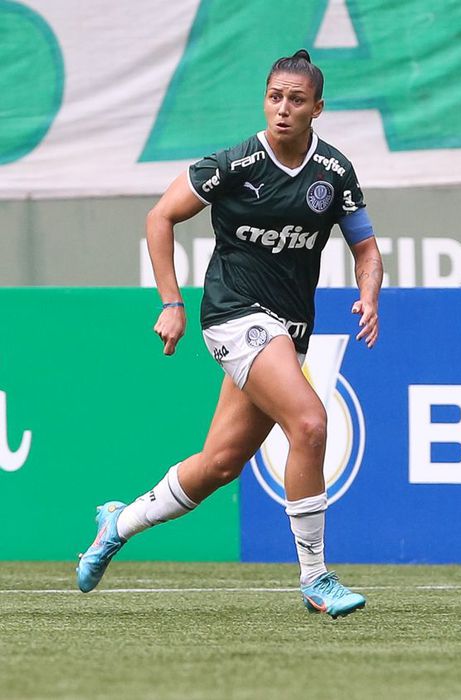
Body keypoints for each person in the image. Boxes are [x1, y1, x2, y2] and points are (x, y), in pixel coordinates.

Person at [76, 49, 383, 619]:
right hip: (235, 314)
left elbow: (365, 247)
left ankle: (117, 522)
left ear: (318, 107)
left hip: (288, 331)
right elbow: (159, 217)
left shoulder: (334, 173)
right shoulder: (236, 164)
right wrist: (172, 302)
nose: (283, 109)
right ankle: (316, 578)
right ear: (264, 100)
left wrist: (369, 293)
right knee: (311, 423)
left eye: (296, 100)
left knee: (219, 464)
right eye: (274, 97)